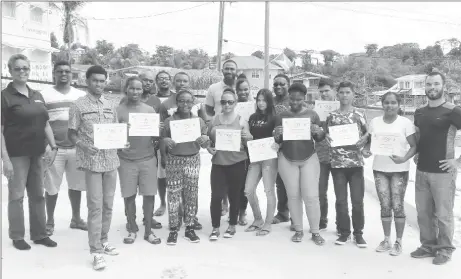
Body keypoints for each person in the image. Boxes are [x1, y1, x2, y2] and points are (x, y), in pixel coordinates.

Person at [1, 54, 58, 250]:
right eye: (18, 68)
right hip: (17, 155)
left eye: (25, 68)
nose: (22, 71)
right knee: (16, 196)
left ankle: (40, 234)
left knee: (38, 195)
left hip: (38, 153)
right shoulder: (4, 96)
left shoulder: (37, 95)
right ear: (10, 71)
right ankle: (17, 236)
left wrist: (53, 146)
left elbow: (46, 124)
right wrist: (5, 160)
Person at [68, 65, 120, 270]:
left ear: (106, 81)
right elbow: (71, 134)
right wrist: (82, 145)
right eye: (95, 80)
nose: (99, 84)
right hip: (92, 162)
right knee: (95, 206)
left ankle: (104, 240)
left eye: (102, 80)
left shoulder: (111, 104)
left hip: (111, 161)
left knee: (108, 205)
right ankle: (95, 251)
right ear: (87, 81)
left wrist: (123, 137)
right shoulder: (78, 105)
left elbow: (115, 130)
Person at [410, 71, 461, 265]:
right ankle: (428, 246)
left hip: (443, 173)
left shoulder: (453, 110)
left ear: (443, 86)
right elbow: (419, 136)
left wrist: (458, 161)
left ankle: (445, 249)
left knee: (443, 214)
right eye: (429, 84)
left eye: (436, 84)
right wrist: (415, 153)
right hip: (421, 170)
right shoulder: (420, 111)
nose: (432, 87)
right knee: (423, 212)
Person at [362, 92, 417, 256]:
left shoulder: (405, 123)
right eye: (386, 102)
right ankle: (386, 239)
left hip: (399, 170)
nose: (390, 105)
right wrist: (366, 151)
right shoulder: (375, 122)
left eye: (393, 102)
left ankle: (398, 242)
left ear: (399, 104)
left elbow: (414, 146)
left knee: (398, 205)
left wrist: (404, 158)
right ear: (382, 104)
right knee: (385, 205)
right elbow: (371, 144)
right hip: (380, 169)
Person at [273, 83, 326, 245]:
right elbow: (278, 140)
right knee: (293, 196)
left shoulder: (312, 114)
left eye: (298, 100)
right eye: (292, 99)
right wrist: (277, 134)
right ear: (289, 97)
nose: (294, 103)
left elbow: (320, 138)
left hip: (308, 157)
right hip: (287, 158)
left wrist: (318, 131)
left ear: (304, 99)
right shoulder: (282, 116)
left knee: (311, 196)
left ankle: (315, 231)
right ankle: (298, 229)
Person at [41, 61, 87, 236]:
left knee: (76, 186)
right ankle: (50, 221)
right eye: (59, 71)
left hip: (76, 147)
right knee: (51, 187)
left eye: (67, 71)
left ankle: (76, 219)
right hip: (54, 149)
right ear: (54, 73)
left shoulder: (80, 95)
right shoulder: (44, 95)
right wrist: (47, 146)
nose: (63, 74)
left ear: (72, 74)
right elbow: (41, 123)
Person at [116, 76, 162, 245]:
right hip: (126, 159)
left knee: (149, 195)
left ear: (143, 91)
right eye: (132, 88)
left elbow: (155, 137)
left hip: (147, 158)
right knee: (129, 196)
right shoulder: (118, 110)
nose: (135, 91)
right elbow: (113, 137)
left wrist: (158, 130)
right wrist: (120, 136)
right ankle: (132, 228)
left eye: (138, 88)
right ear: (126, 89)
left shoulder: (150, 110)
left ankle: (148, 231)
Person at [158, 72, 206, 230]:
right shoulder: (169, 120)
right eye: (181, 101)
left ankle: (190, 219)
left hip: (192, 158)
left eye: (188, 101)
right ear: (176, 102)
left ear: (193, 102)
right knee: (173, 192)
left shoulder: (197, 121)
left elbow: (205, 140)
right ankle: (174, 221)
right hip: (174, 159)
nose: (185, 104)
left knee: (191, 191)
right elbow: (162, 141)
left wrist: (205, 140)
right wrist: (164, 151)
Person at [325, 81, 370, 248]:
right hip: (337, 165)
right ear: (337, 94)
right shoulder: (332, 115)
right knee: (341, 201)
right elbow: (327, 135)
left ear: (353, 94)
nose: (344, 95)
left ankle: (358, 234)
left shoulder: (360, 114)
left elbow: (368, 134)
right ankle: (344, 232)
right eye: (341, 92)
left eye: (347, 92)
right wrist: (327, 138)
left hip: (356, 164)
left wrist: (365, 142)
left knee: (357, 201)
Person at [207, 88, 253, 241]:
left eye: (230, 102)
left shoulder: (241, 120)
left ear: (235, 103)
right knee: (216, 196)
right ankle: (215, 227)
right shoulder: (214, 119)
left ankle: (232, 224)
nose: (226, 105)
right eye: (223, 102)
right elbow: (208, 139)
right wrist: (209, 148)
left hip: (237, 162)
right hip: (219, 163)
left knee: (234, 196)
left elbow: (248, 142)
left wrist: (248, 137)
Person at [205, 60, 239, 216]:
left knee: (235, 170)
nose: (229, 71)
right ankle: (224, 203)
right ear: (222, 70)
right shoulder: (214, 88)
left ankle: (235, 207)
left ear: (236, 71)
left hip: (237, 132)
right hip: (219, 133)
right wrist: (212, 128)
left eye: (232, 69)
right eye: (227, 68)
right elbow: (208, 110)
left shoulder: (241, 87)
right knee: (221, 169)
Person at [244, 89, 277, 236]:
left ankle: (268, 223)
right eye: (259, 100)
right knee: (248, 190)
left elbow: (280, 138)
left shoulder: (275, 118)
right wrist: (248, 137)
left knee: (269, 191)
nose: (261, 103)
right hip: (255, 158)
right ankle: (258, 219)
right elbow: (249, 139)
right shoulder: (252, 117)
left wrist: (278, 144)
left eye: (264, 100)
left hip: (270, 158)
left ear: (269, 101)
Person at [271, 74, 293, 230]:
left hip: (291, 145)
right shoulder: (270, 101)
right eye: (276, 84)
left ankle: (296, 215)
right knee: (280, 183)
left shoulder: (294, 101)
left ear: (289, 85)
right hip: (273, 145)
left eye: (282, 84)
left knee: (293, 182)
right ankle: (282, 213)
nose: (278, 87)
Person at [315, 78, 336, 231]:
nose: (324, 94)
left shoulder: (341, 107)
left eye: (326, 91)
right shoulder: (316, 110)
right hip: (321, 155)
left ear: (334, 90)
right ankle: (322, 220)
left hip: (339, 156)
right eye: (321, 92)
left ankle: (342, 223)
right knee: (320, 191)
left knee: (341, 194)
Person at [153, 70, 174, 217]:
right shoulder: (152, 100)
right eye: (160, 79)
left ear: (170, 80)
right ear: (156, 81)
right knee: (161, 175)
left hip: (176, 141)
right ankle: (162, 203)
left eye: (166, 78)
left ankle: (177, 203)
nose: (164, 81)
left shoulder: (177, 98)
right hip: (158, 141)